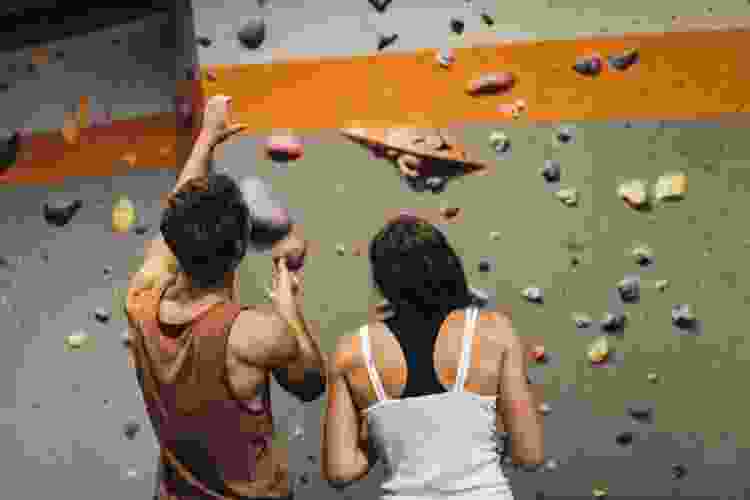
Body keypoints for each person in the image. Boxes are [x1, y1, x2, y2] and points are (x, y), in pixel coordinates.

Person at [124, 95, 326, 500]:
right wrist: (288, 309)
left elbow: (172, 226)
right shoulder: (253, 334)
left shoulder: (141, 300)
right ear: (239, 250)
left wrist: (207, 138)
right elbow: (311, 382)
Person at [322, 213, 544, 500]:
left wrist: (387, 436)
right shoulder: (493, 332)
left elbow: (341, 470)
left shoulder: (352, 350)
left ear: (382, 280)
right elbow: (530, 454)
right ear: (448, 265)